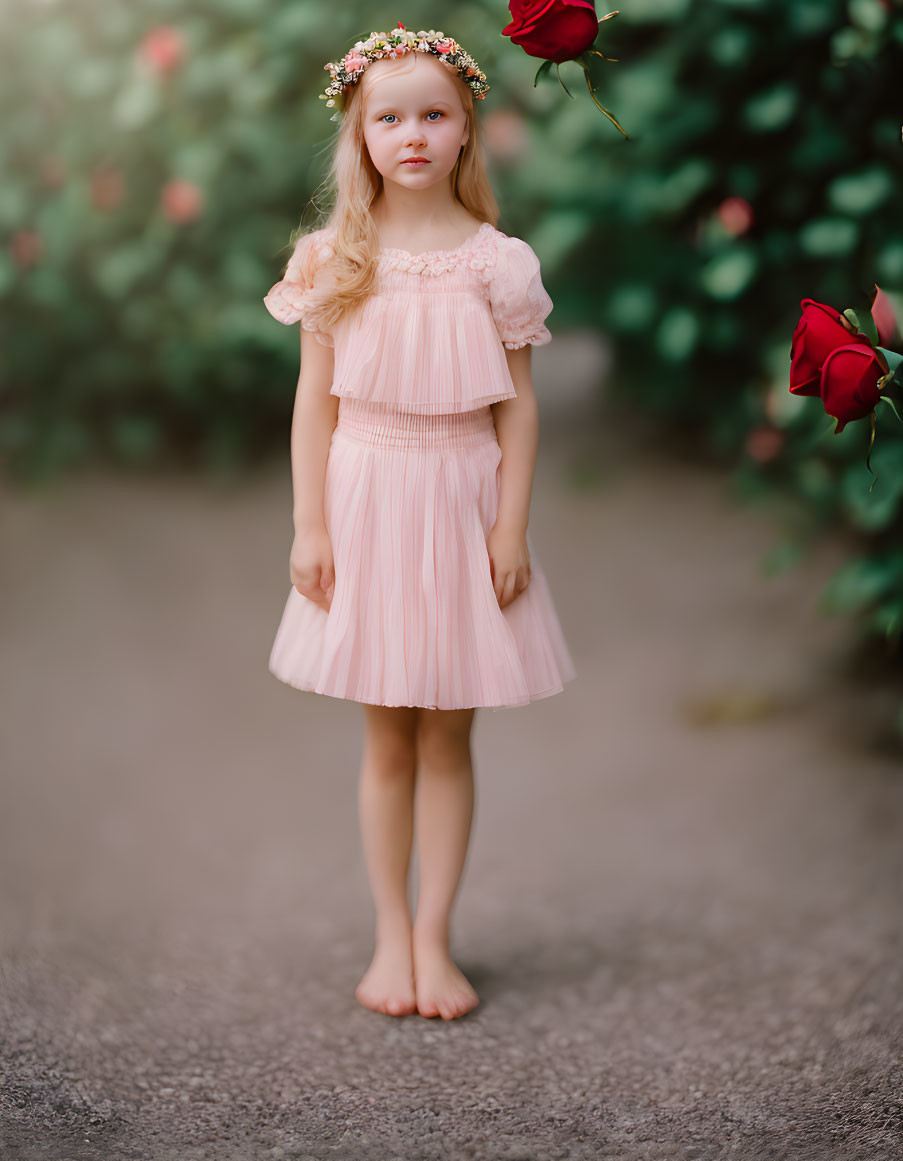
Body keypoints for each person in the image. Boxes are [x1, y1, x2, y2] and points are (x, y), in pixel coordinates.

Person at [263, 25, 576, 1021]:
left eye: (433, 114)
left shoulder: (498, 263)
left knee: (448, 739)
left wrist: (511, 526)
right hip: (367, 498)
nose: (412, 134)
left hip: (462, 498)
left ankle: (436, 938)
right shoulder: (333, 258)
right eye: (389, 116)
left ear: (465, 130)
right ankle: (388, 935)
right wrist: (310, 524)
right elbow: (317, 397)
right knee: (385, 739)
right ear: (358, 133)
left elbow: (518, 405)